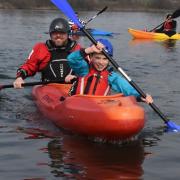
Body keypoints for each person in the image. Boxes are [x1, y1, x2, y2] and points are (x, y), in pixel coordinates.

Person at [66, 38, 153, 104]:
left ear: (109, 60)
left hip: (98, 108)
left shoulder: (111, 76)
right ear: (91, 57)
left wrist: (140, 96)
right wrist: (89, 50)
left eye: (105, 59)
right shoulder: (84, 69)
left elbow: (126, 88)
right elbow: (71, 59)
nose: (101, 62)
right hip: (78, 105)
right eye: (97, 58)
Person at [13, 18, 81, 88]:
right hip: (48, 89)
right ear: (50, 34)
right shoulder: (41, 48)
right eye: (54, 33)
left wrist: (77, 77)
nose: (58, 35)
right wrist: (19, 78)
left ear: (68, 34)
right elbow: (29, 66)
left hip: (72, 88)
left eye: (62, 33)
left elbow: (88, 70)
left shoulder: (77, 49)